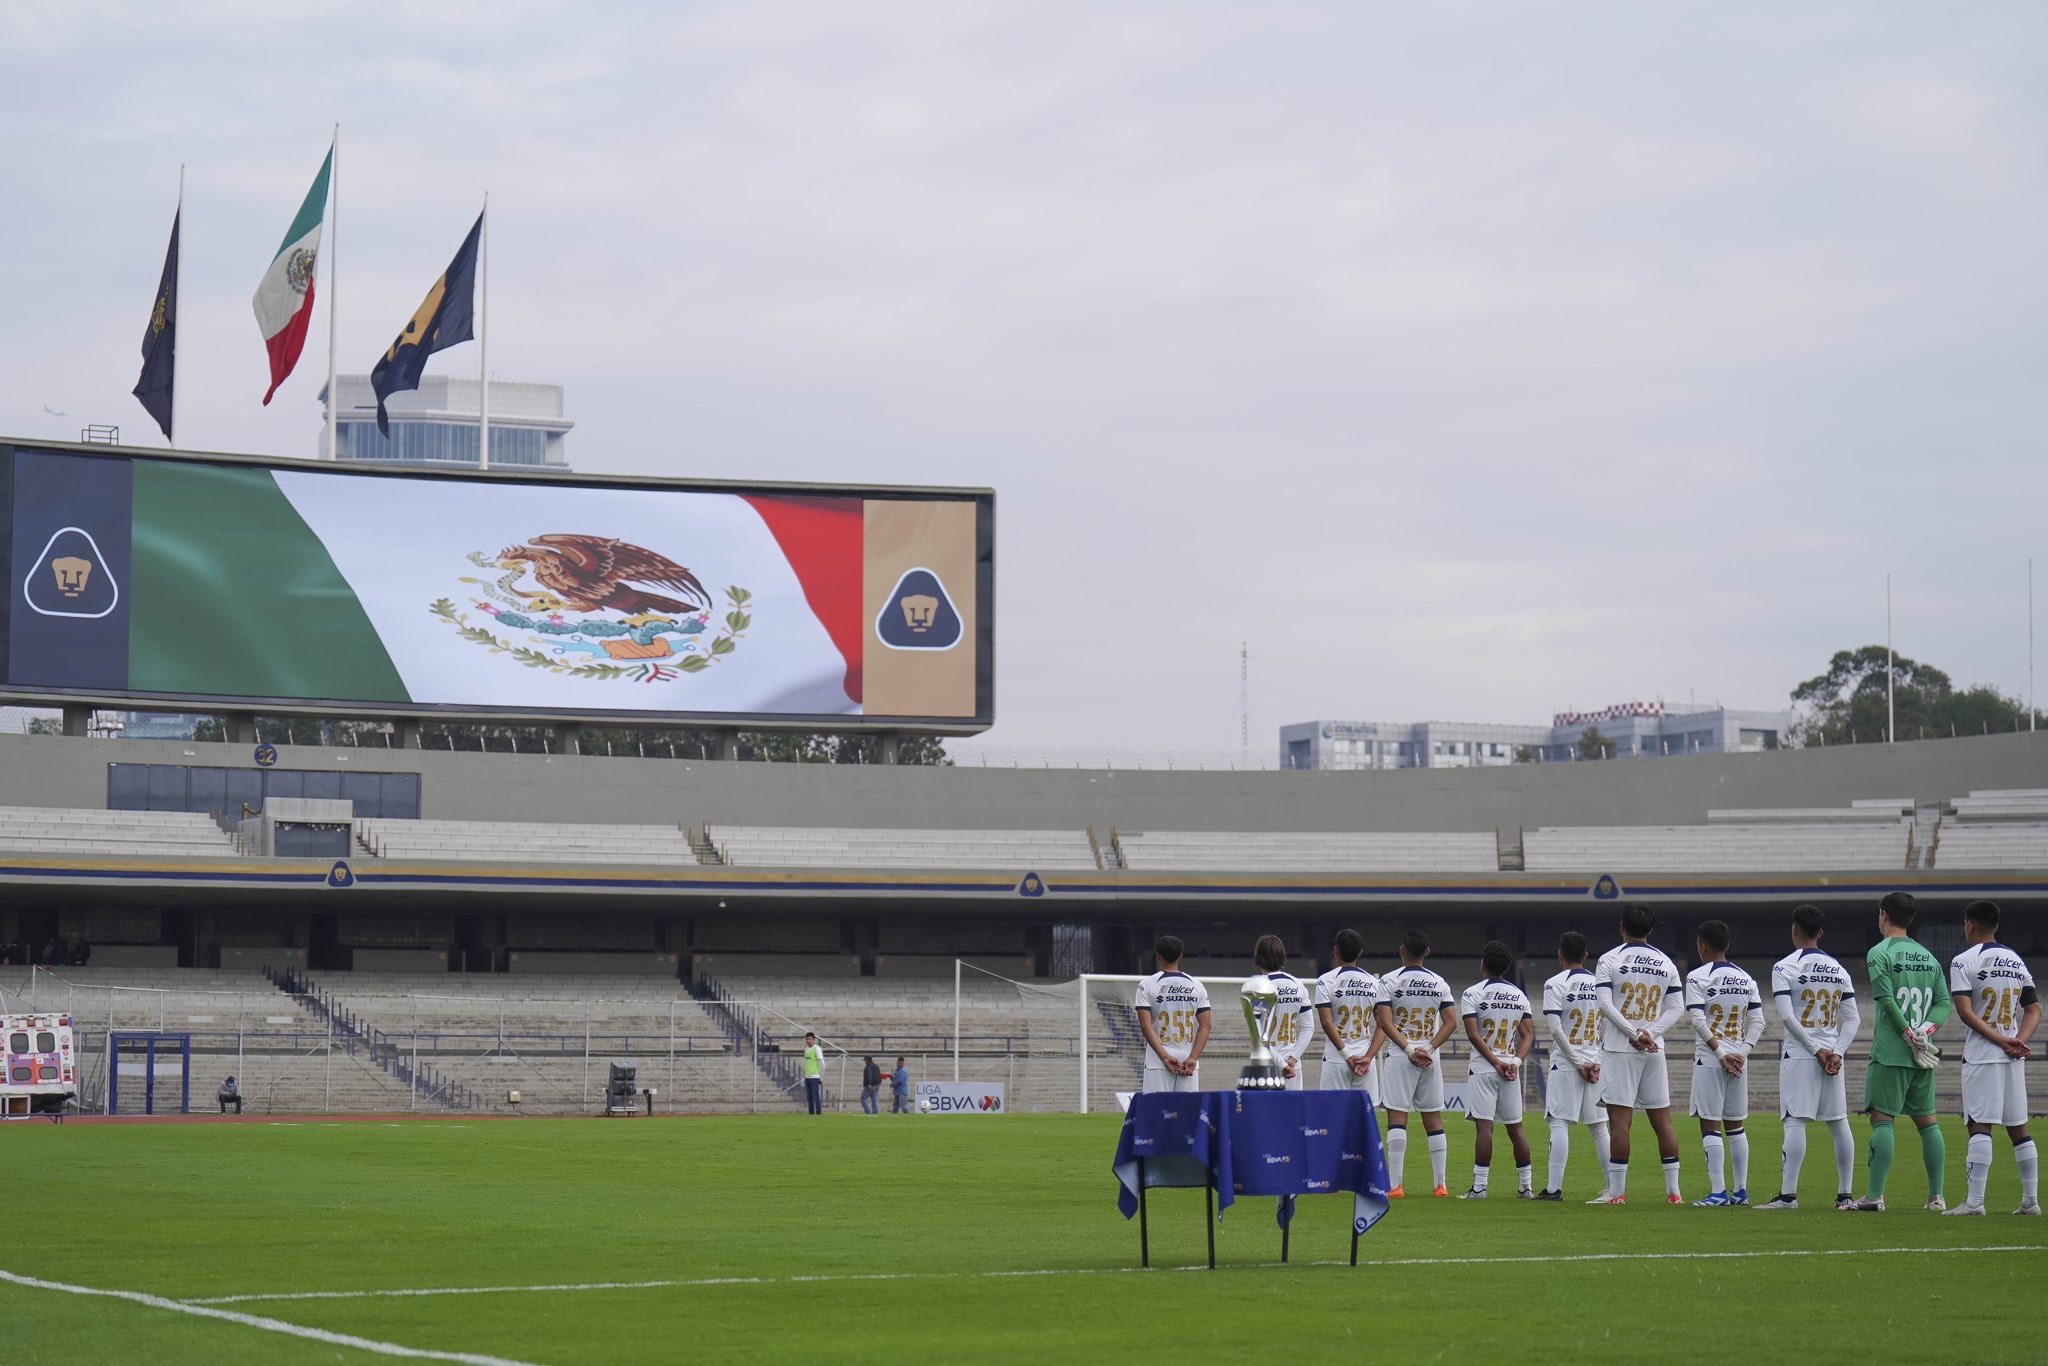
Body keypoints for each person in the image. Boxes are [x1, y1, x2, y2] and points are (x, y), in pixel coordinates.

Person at [1847, 892, 1952, 1212]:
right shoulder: (1929, 957)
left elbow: (1886, 999)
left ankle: (1874, 1196)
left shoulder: (1879, 952)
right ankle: (1936, 1196)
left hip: (1892, 1051)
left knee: (1882, 1120)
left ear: (1883, 915)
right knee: (1928, 1124)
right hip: (1922, 1053)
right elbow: (1944, 1003)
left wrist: (1907, 1033)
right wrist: (1925, 1032)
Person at [1757, 904, 1863, 1211]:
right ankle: (1845, 1195)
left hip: (1803, 1053)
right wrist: (1837, 1052)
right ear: (1821, 932)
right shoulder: (1839, 969)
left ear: (1794, 930)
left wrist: (1816, 1050)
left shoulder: (1784, 967)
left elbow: (1788, 1018)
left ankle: (1788, 1196)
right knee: (1839, 1121)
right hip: (1832, 1055)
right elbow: (1852, 1018)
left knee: (1794, 1121)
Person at [1944, 900, 2040, 1216]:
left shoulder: (1963, 961)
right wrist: (2018, 1042)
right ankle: (2030, 1202)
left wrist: (2001, 1041)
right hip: (2013, 1057)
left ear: (1969, 924)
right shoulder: (2015, 960)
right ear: (1996, 925)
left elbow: (1964, 1010)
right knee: (2019, 1128)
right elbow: (2034, 1008)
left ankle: (1975, 1202)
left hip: (1984, 1055)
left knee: (1979, 1125)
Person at [1589, 902, 1686, 1206]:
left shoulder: (1609, 959)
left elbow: (1605, 1005)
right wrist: (1651, 1032)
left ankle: (1617, 1192)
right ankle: (1674, 1192)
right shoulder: (1665, 962)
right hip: (1654, 1049)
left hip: (1621, 1047)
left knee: (1620, 1120)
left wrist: (1634, 1034)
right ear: (1651, 930)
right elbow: (1676, 1007)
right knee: (1663, 1120)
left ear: (1622, 927)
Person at [1683, 920, 1764, 1207]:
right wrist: (1741, 1053)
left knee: (1710, 1124)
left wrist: (1720, 1054)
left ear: (1702, 946)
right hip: (1739, 1062)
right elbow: (1758, 1021)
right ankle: (1740, 1192)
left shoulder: (1696, 977)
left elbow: (1697, 1020)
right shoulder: (1746, 978)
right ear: (1726, 945)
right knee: (1736, 1126)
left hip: (1711, 1059)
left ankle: (1718, 1192)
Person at [1373, 930, 1456, 1198]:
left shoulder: (1389, 980)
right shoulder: (1439, 982)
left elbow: (1384, 1022)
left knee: (1397, 1117)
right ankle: (1440, 1185)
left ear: (1401, 950)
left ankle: (1396, 1186)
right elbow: (1451, 1021)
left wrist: (1409, 1049)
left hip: (1400, 1056)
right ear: (1427, 952)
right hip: (1430, 1057)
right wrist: (1429, 1048)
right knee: (1433, 1119)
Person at [1459, 941, 1535, 1199]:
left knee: (1484, 1127)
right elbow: (1527, 1035)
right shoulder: (1519, 995)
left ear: (1483, 963)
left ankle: (1479, 1188)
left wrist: (1495, 1062)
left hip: (1484, 1067)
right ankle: (1526, 1188)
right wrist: (1514, 1062)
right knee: (1516, 1128)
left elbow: (1472, 1034)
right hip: (1510, 1069)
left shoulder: (1472, 993)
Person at [1537, 931, 1609, 1201]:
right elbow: (1607, 1026)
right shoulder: (1600, 984)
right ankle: (1613, 1187)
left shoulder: (1555, 984)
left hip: (1568, 1063)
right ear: (1586, 956)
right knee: (1599, 1126)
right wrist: (1597, 1062)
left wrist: (1578, 1063)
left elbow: (1556, 1030)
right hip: (1595, 1063)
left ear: (1560, 955)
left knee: (1559, 1122)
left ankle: (1554, 1189)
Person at [1133, 935, 1211, 1092]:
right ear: (1180, 957)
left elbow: (1144, 1025)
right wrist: (1193, 1058)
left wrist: (1165, 1057)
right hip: (1188, 1063)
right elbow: (1205, 1026)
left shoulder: (1146, 985)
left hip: (1157, 1062)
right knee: (1187, 1113)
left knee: (1156, 1112)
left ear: (1157, 956)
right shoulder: (1197, 986)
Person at [1313, 928, 1383, 1096]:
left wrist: (1346, 1056)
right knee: (1364, 1115)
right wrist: (1369, 1057)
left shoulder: (1325, 980)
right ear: (1360, 952)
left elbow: (1326, 1022)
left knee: (1331, 1114)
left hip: (1336, 1058)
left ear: (1335, 950)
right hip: (1365, 1059)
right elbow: (1383, 1025)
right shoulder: (1374, 983)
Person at [1251, 935, 1314, 1089]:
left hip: (1266, 1064)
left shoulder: (1257, 987)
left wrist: (1282, 1064)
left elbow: (1257, 1035)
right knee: (1292, 1112)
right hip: (1293, 1066)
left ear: (1258, 957)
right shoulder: (1298, 985)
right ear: (1282, 957)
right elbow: (1308, 1027)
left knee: (1265, 1112)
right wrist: (1292, 1059)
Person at [800, 1032, 824, 1115]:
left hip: (815, 1077)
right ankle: (811, 1114)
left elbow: (822, 1064)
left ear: (814, 1039)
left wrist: (821, 1078)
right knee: (809, 1097)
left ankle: (818, 1113)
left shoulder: (817, 1049)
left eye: (810, 1039)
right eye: (806, 1039)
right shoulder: (806, 1049)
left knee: (815, 1096)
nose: (808, 1040)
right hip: (807, 1077)